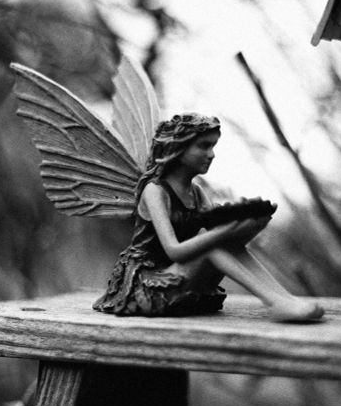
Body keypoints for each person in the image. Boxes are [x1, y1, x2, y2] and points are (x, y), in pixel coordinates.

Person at [94, 113, 324, 322]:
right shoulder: (156, 191)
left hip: (181, 273)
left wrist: (249, 227)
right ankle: (275, 303)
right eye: (204, 146)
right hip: (151, 281)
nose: (211, 154)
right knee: (214, 246)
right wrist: (224, 232)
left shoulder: (196, 192)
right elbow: (175, 250)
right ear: (179, 148)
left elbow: (223, 241)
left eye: (213, 146)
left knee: (223, 243)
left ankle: (285, 299)